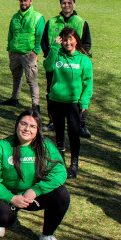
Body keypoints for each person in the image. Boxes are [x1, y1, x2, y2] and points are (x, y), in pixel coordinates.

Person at [0, 110, 70, 240]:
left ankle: (47, 235)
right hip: (7, 194)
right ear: (17, 125)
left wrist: (36, 190)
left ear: (38, 129)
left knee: (62, 194)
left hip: (32, 195)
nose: (27, 129)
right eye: (23, 124)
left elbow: (60, 172)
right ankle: (1, 221)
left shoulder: (45, 146)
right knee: (2, 218)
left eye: (32, 126)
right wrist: (11, 198)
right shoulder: (1, 147)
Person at [43, 27, 92, 179]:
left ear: (76, 40)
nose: (67, 43)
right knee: (59, 133)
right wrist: (54, 47)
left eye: (70, 39)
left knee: (73, 133)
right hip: (56, 101)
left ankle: (74, 164)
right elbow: (47, 66)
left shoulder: (83, 59)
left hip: (73, 104)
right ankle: (60, 162)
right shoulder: (57, 55)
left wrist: (84, 103)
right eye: (64, 40)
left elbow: (87, 82)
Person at [41, 0, 92, 136]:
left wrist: (78, 57)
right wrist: (50, 55)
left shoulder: (81, 22)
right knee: (51, 92)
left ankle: (81, 124)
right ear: (60, 5)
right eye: (63, 3)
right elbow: (44, 41)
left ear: (74, 5)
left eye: (69, 3)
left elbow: (87, 43)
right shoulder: (51, 22)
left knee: (79, 93)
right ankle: (53, 120)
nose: (66, 6)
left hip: (75, 65)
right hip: (55, 64)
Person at [1, 0, 45, 114]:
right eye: (21, 1)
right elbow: (10, 33)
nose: (23, 3)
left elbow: (40, 36)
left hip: (28, 54)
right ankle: (14, 98)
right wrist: (9, 48)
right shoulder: (15, 16)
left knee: (31, 79)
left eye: (25, 1)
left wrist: (36, 51)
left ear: (31, 2)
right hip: (15, 52)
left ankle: (35, 105)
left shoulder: (37, 17)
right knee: (16, 77)